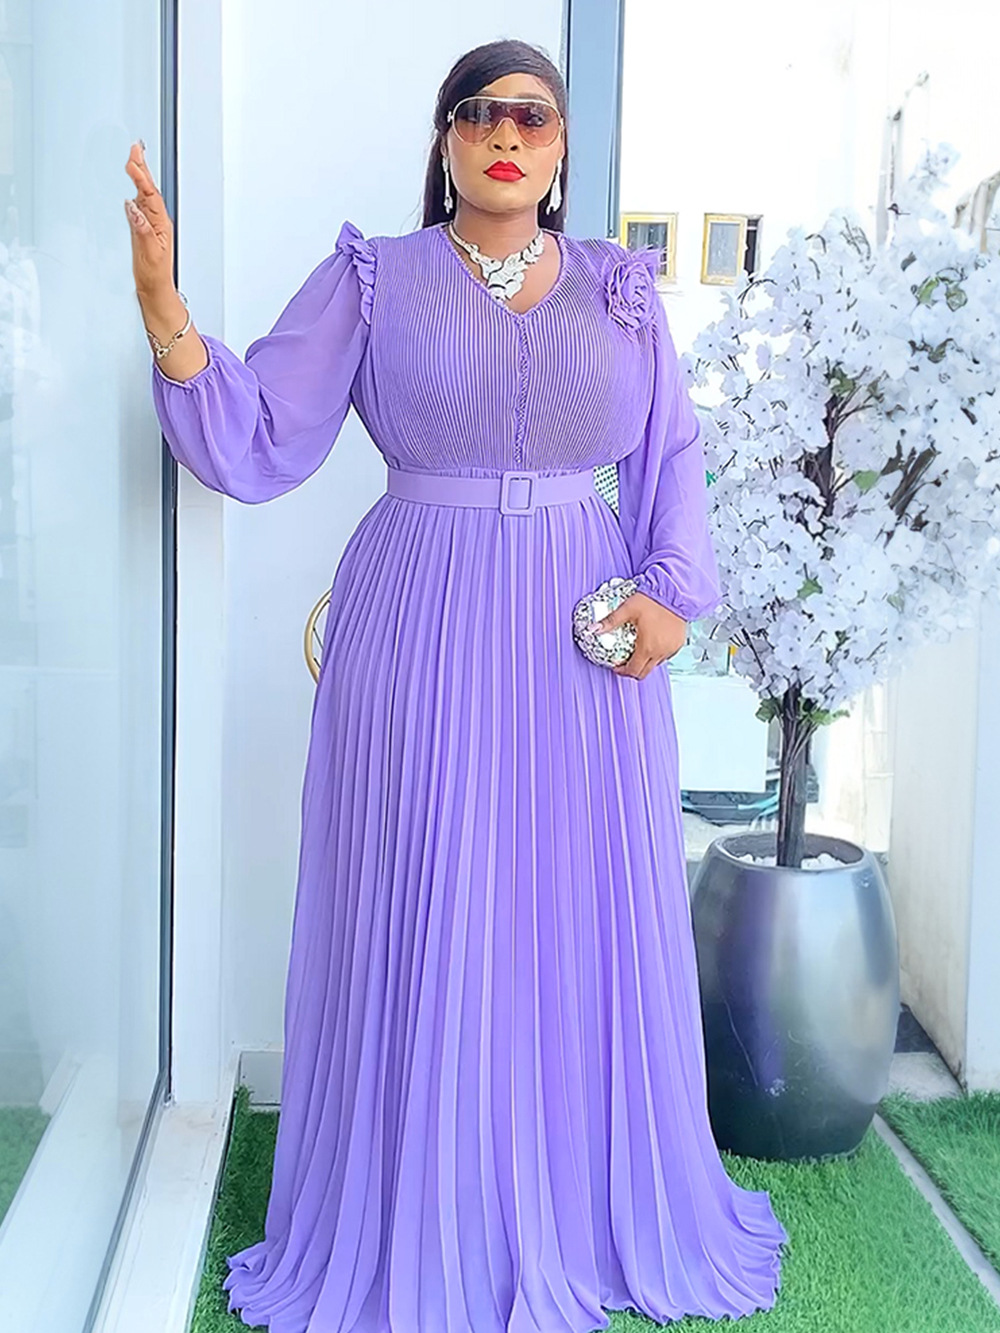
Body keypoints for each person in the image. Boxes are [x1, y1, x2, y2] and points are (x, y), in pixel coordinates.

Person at [125, 36, 788, 1333]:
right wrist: (163, 307)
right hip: (416, 627)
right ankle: (423, 1207)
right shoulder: (374, 279)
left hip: (584, 642)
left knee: (572, 901)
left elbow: (673, 453)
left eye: (532, 116)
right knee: (428, 893)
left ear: (559, 147)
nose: (506, 133)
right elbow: (260, 434)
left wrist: (670, 593)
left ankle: (575, 1202)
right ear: (445, 140)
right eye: (479, 113)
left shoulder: (620, 290)